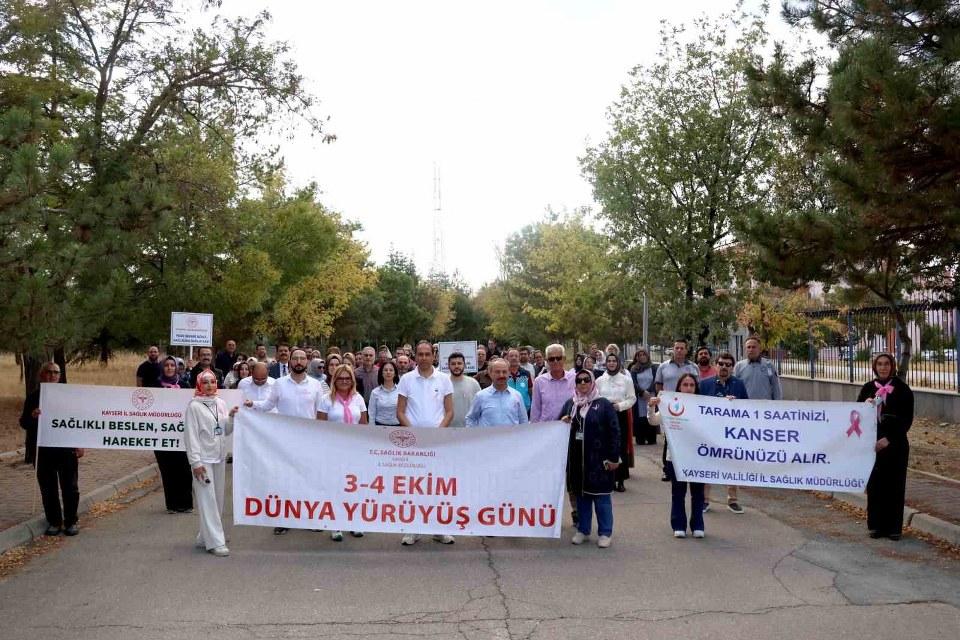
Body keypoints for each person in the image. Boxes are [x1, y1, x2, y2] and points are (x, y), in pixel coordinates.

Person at [246, 349, 327, 535]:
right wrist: (252, 405)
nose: (299, 361)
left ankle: (309, 518)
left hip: (309, 441)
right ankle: (283, 519)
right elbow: (268, 405)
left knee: (308, 481)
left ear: (307, 361)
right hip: (283, 443)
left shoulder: (316, 385)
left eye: (302, 358)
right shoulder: (280, 384)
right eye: (295, 358)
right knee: (284, 480)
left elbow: (321, 412)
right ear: (289, 361)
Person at [396, 340, 455, 546]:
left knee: (437, 487)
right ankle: (413, 529)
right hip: (414, 444)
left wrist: (438, 434)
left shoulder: (444, 379)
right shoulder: (406, 379)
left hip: (437, 443)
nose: (423, 357)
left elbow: (449, 411)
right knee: (415, 488)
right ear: (416, 357)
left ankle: (438, 529)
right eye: (419, 354)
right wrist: (414, 435)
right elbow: (400, 411)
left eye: (427, 354)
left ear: (433, 356)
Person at [21, 362, 85, 536]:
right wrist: (32, 416)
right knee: (48, 488)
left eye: (55, 372)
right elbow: (24, 423)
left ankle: (71, 521)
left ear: (60, 375)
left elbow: (78, 421)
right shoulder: (34, 397)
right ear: (42, 375)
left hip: (66, 449)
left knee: (70, 487)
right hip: (43, 450)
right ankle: (54, 521)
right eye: (48, 372)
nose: (52, 375)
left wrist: (80, 443)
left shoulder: (69, 396)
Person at [857, 353, 914, 541]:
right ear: (875, 367)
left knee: (894, 486)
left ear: (892, 366)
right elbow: (857, 415)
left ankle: (893, 528)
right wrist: (866, 407)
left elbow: (906, 420)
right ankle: (875, 526)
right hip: (872, 446)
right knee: (875, 486)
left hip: (895, 444)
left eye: (886, 364)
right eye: (879, 364)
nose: (883, 367)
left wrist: (888, 439)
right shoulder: (868, 388)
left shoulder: (902, 389)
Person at [560, 370, 619, 548]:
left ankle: (605, 532)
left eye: (586, 380)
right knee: (582, 496)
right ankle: (583, 530)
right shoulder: (571, 404)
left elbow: (614, 431)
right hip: (577, 459)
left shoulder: (603, 404)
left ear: (592, 382)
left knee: (601, 497)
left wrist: (614, 457)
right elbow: (558, 426)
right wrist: (563, 421)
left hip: (599, 460)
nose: (583, 383)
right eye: (579, 381)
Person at [184, 370, 239, 557]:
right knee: (207, 499)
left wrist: (231, 416)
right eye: (205, 382)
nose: (209, 385)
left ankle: (204, 537)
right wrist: (195, 462)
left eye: (212, 382)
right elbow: (191, 436)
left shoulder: (221, 403)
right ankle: (215, 541)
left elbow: (226, 430)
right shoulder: (194, 406)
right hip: (203, 460)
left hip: (219, 457)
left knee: (217, 498)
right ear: (199, 385)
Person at [648, 374, 706, 539]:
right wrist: (651, 407)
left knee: (698, 493)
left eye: (691, 385)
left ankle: (698, 525)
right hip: (675, 457)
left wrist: (729, 403)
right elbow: (653, 421)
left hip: (698, 457)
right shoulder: (670, 405)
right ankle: (679, 524)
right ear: (679, 387)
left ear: (696, 388)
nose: (688, 388)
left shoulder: (704, 406)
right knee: (678, 492)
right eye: (685, 385)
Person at [317, 364, 368, 541]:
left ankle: (353, 522)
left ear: (352, 380)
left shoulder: (358, 399)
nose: (344, 381)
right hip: (333, 450)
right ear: (334, 380)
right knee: (336, 486)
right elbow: (320, 427)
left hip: (354, 450)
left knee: (353, 487)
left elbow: (363, 425)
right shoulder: (326, 400)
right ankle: (335, 523)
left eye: (347, 378)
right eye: (341, 378)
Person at [699, 353, 749, 514]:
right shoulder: (705, 384)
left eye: (728, 365)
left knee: (731, 466)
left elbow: (748, 407)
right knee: (707, 466)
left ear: (732, 368)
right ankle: (705, 500)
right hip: (709, 432)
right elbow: (697, 406)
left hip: (731, 433)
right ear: (716, 364)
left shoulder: (739, 384)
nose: (724, 367)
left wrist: (735, 405)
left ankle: (732, 500)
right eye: (721, 363)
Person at [655, 339, 699, 481]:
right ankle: (667, 469)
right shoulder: (663, 367)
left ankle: (687, 466)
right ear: (673, 350)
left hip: (689, 408)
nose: (679, 350)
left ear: (686, 350)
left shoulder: (693, 367)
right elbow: (658, 386)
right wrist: (662, 402)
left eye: (682, 348)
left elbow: (698, 387)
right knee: (669, 439)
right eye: (676, 348)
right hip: (671, 408)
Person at [155, 356, 194, 514]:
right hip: (161, 436)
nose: (170, 368)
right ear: (162, 368)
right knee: (167, 470)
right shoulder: (154, 386)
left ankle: (185, 503)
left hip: (182, 435)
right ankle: (172, 504)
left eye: (173, 365)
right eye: (167, 365)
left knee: (184, 469)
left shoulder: (184, 386)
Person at [596, 352, 636, 492]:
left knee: (620, 446)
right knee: (606, 446)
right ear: (606, 363)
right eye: (609, 361)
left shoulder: (626, 380)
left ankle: (621, 479)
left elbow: (632, 399)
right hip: (605, 415)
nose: (612, 363)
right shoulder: (600, 380)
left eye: (614, 361)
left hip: (620, 414)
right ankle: (609, 478)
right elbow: (596, 397)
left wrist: (619, 406)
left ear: (618, 363)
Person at [465, 359, 528, 427]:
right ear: (490, 373)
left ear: (509, 373)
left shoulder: (517, 396)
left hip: (512, 437)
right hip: (488, 437)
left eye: (504, 372)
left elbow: (523, 420)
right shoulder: (480, 396)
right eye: (497, 372)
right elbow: (471, 419)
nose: (501, 375)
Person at [734, 336, 782, 401]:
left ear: (760, 349)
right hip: (745, 407)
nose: (751, 349)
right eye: (748, 347)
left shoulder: (769, 365)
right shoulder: (739, 366)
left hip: (764, 407)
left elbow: (776, 387)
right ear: (745, 349)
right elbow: (734, 386)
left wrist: (778, 403)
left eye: (754, 347)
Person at [629, 348, 658, 445]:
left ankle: (651, 438)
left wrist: (648, 391)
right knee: (641, 417)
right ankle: (640, 438)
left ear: (647, 356)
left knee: (651, 415)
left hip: (651, 395)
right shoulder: (634, 368)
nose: (642, 357)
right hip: (639, 397)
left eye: (643, 355)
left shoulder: (653, 367)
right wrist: (641, 392)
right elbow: (633, 382)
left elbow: (656, 380)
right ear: (637, 357)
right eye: (640, 355)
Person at [448, 351, 481, 427]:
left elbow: (480, 406)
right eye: (453, 364)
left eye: (459, 363)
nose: (456, 366)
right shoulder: (443, 383)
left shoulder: (473, 383)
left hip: (469, 429)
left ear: (465, 365)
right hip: (447, 430)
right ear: (448, 366)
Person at [369, 361, 401, 426]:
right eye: (385, 370)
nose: (388, 372)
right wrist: (372, 429)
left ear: (395, 373)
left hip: (398, 427)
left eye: (391, 370)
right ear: (381, 373)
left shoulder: (401, 391)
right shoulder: (375, 392)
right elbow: (372, 413)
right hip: (380, 427)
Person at [505, 348, 533, 415]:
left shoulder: (526, 374)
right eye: (511, 356)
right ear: (507, 358)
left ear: (519, 358)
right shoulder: (504, 374)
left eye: (516, 356)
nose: (514, 358)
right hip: (507, 411)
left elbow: (530, 392)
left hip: (525, 410)